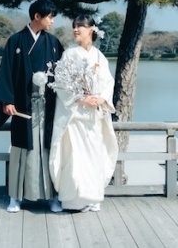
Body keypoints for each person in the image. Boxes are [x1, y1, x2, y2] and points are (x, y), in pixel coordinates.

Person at [0, 0, 64, 213]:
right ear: (37, 16)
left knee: (48, 149)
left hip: (47, 107)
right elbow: (6, 73)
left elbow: (64, 76)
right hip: (23, 106)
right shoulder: (16, 42)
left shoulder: (53, 43)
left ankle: (52, 197)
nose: (52, 22)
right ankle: (15, 196)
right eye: (50, 17)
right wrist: (7, 101)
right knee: (22, 150)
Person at [49, 15, 118, 213]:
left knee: (93, 156)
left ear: (91, 30)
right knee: (74, 157)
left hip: (93, 116)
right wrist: (80, 97)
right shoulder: (69, 54)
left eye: (80, 26)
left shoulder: (99, 56)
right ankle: (71, 200)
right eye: (74, 27)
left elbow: (108, 82)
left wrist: (102, 98)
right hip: (75, 116)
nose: (76, 30)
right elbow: (61, 83)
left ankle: (93, 197)